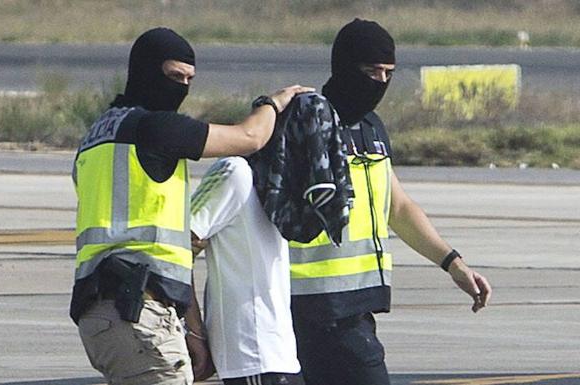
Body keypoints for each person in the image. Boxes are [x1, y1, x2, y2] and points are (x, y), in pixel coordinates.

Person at [70, 27, 313, 385]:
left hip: (102, 313)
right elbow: (250, 137)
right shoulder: (154, 128)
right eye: (173, 76)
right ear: (144, 71)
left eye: (188, 79)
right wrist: (272, 104)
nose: (181, 87)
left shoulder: (95, 138)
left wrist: (192, 329)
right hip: (139, 312)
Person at [287, 19, 493, 385]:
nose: (379, 83)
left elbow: (398, 207)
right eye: (370, 71)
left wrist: (453, 264)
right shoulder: (305, 123)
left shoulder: (372, 128)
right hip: (313, 305)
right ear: (344, 67)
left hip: (356, 304)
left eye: (388, 74)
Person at [190, 156, 305, 385]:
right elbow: (178, 245)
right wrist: (192, 330)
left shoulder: (280, 176)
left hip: (277, 352)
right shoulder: (235, 172)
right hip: (253, 351)